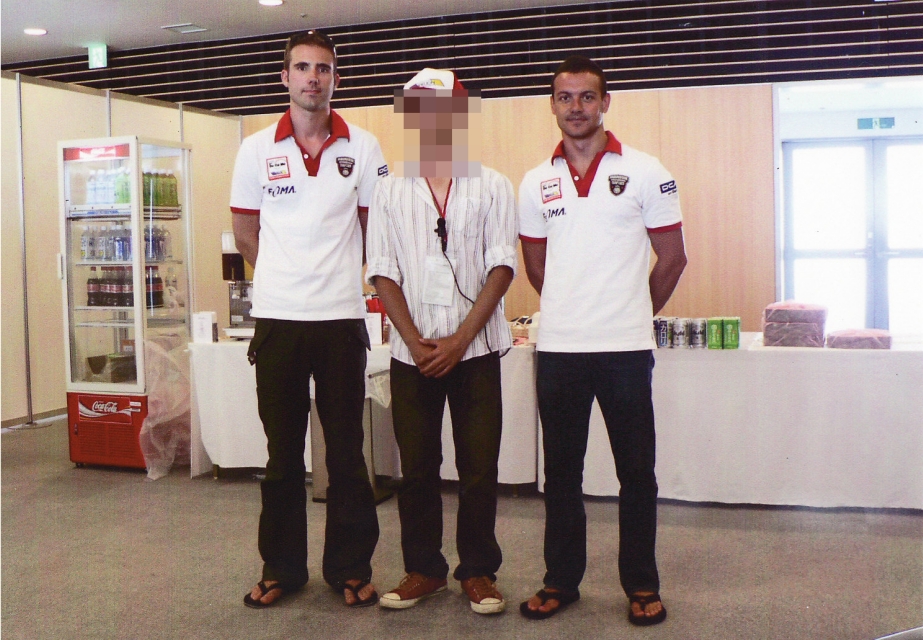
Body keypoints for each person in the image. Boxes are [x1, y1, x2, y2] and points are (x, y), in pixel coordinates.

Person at [518, 55, 687, 626]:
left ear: (605, 102)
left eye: (587, 96)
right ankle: (560, 581)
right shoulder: (535, 181)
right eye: (565, 97)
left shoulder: (646, 170)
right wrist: (574, 309)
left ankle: (641, 584)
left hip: (625, 351)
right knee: (561, 475)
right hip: (560, 350)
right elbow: (536, 267)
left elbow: (673, 257)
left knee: (636, 473)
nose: (576, 107)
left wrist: (631, 313)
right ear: (552, 105)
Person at [229, 30, 388, 609]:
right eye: (302, 67)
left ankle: (350, 567)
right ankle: (281, 568)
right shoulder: (255, 150)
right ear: (285, 77)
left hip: (341, 320)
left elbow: (375, 231)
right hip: (278, 322)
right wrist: (287, 279)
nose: (312, 78)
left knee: (346, 454)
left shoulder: (364, 146)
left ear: (336, 79)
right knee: (281, 455)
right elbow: (247, 234)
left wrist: (329, 279)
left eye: (323, 68)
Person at [365, 68, 518, 615]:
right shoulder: (389, 188)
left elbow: (503, 267)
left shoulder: (493, 185)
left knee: (478, 468)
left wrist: (459, 339)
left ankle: (478, 571)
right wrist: (414, 340)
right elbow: (382, 271)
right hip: (411, 355)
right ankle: (424, 569)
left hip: (476, 351)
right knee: (417, 468)